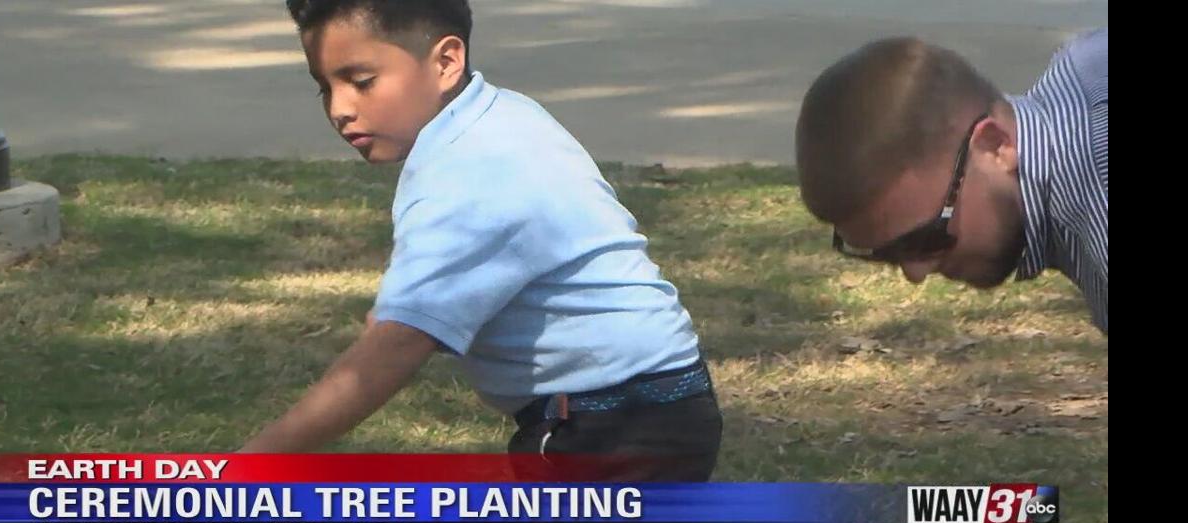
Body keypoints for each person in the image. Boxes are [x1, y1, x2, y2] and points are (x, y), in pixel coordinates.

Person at [241, 0, 722, 481]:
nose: (340, 110)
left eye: (362, 82)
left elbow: (395, 346)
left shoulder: (472, 170)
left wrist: (248, 468)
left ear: (446, 61)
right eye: (325, 88)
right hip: (646, 407)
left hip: (613, 426)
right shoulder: (498, 116)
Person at [795, 30, 1108, 334]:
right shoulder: (1082, 66)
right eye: (884, 254)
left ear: (995, 146)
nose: (915, 274)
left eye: (925, 240)